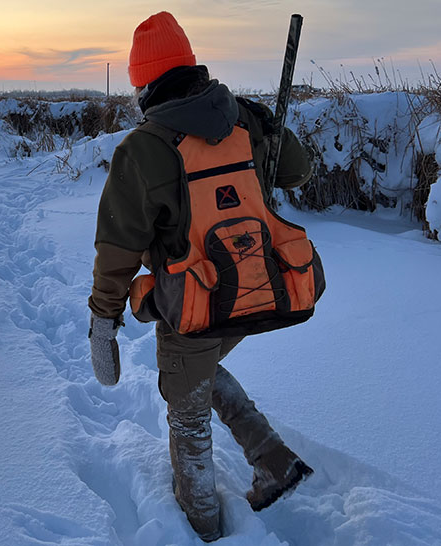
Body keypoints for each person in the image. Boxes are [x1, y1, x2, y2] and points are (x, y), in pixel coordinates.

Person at [87, 12, 318, 542]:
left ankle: (203, 528)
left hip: (196, 303)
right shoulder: (244, 119)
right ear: (190, 65)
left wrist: (104, 317)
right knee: (201, 371)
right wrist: (269, 127)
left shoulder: (144, 149)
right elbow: (298, 170)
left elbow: (117, 247)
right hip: (263, 288)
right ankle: (273, 459)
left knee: (186, 410)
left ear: (144, 82)